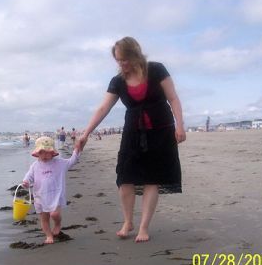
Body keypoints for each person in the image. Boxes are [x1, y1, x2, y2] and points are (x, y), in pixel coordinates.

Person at [77, 37, 186, 243]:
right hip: (133, 133)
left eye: (124, 59)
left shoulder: (156, 70)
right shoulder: (118, 81)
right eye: (118, 60)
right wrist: (85, 133)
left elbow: (173, 98)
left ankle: (144, 227)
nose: (121, 64)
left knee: (152, 178)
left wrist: (180, 125)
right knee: (125, 177)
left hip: (160, 131)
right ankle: (128, 221)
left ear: (135, 54)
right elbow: (103, 108)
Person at [22, 136, 81, 244]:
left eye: (47, 152)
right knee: (44, 219)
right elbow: (29, 177)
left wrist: (77, 149)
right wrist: (26, 182)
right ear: (37, 153)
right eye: (41, 152)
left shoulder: (59, 163)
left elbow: (72, 161)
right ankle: (49, 235)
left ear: (52, 152)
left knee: (54, 214)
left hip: (55, 195)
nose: (44, 155)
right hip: (40, 196)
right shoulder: (35, 166)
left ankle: (57, 224)